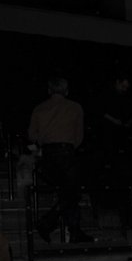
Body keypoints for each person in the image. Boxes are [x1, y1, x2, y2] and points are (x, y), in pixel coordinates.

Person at [31, 76, 88, 243]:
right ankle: (49, 222)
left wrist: (44, 140)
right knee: (72, 192)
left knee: (69, 191)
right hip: (66, 152)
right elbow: (79, 136)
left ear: (49, 91)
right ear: (66, 91)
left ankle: (74, 230)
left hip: (48, 155)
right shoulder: (75, 107)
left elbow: (32, 135)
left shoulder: (39, 108)